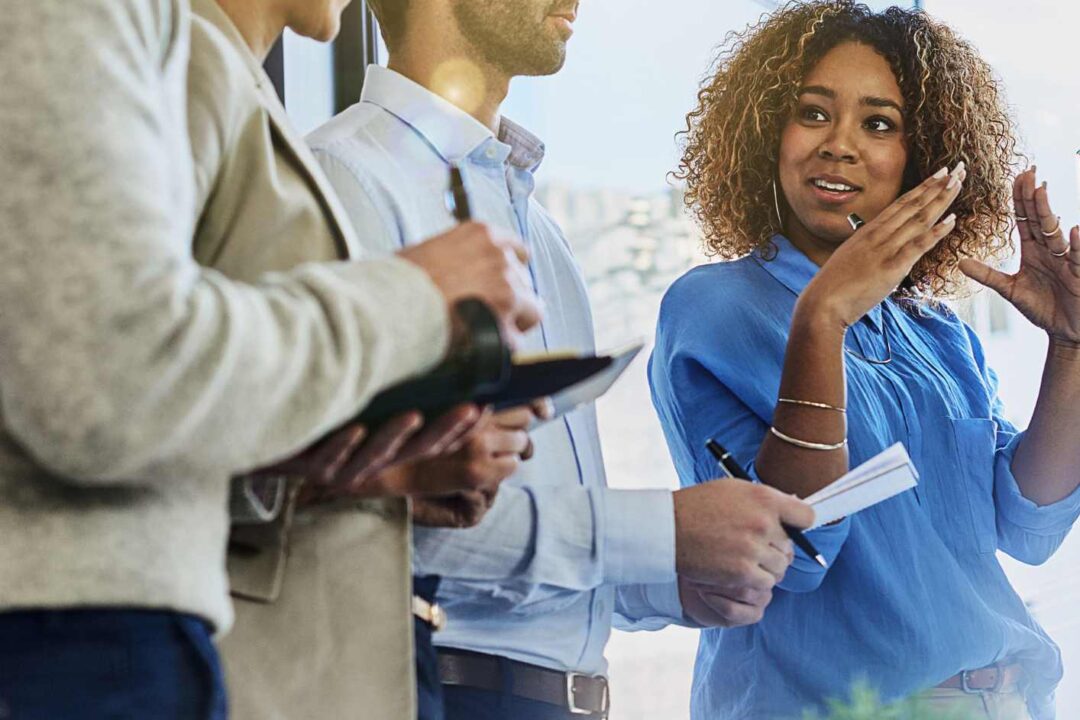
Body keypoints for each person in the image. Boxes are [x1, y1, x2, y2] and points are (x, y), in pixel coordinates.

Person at [0, 1, 539, 718]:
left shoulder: (205, 66)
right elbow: (107, 380)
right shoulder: (138, 36)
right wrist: (413, 296)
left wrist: (349, 469)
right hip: (78, 639)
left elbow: (141, 393)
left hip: (128, 630)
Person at [308, 1, 815, 718]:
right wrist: (660, 533)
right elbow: (375, 519)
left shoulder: (535, 226)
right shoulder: (344, 179)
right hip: (444, 691)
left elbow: (518, 537)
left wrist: (668, 576)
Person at [651, 2, 1080, 719]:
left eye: (879, 123)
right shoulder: (714, 309)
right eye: (813, 113)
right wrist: (822, 318)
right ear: (765, 133)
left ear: (921, 155)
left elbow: (1027, 524)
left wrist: (1070, 348)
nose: (840, 145)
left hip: (1001, 698)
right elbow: (795, 551)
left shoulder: (938, 332)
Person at [185, 0, 548, 718]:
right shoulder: (193, 86)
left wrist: (395, 469)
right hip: (246, 651)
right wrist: (415, 293)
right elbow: (122, 389)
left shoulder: (242, 104)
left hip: (368, 657)